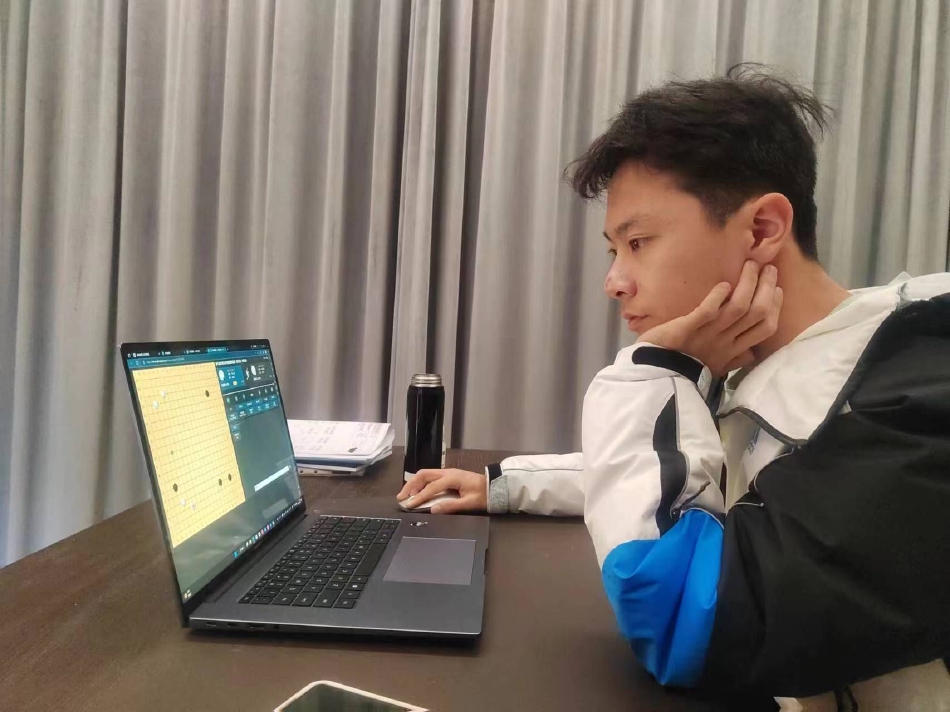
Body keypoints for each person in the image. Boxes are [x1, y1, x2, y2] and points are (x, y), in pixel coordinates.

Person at [397, 66, 950, 707]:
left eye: (639, 242)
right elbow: (716, 473)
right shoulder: (773, 367)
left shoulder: (915, 397)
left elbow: (684, 619)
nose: (615, 281)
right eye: (615, 250)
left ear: (763, 229)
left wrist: (652, 371)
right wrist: (504, 484)